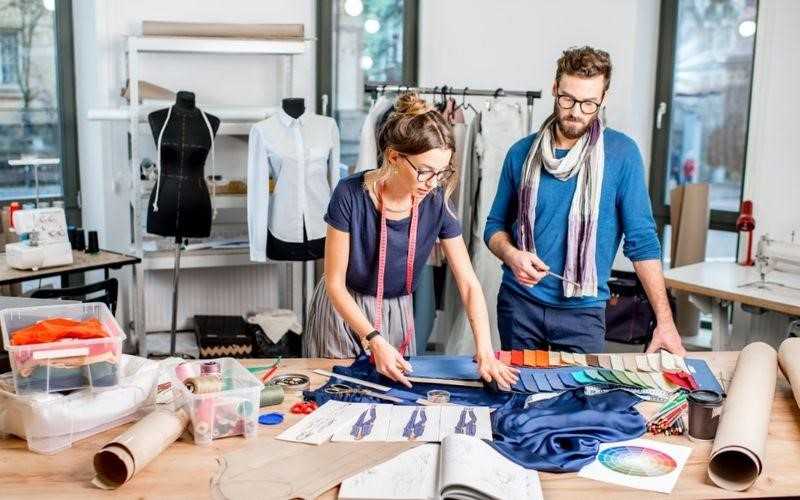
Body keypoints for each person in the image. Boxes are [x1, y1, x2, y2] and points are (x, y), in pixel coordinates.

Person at [304, 93, 518, 388]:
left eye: (441, 173)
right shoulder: (349, 194)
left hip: (396, 312)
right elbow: (335, 284)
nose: (433, 183)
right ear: (394, 157)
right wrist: (373, 339)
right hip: (343, 309)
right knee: (337, 393)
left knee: (395, 396)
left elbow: (469, 284)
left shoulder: (437, 202)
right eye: (424, 171)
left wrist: (484, 349)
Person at [485, 46, 686, 356]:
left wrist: (665, 321)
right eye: (568, 99)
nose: (577, 112)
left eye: (589, 103)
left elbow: (642, 241)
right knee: (520, 388)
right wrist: (511, 255)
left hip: (583, 313)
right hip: (519, 306)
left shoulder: (622, 154)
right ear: (555, 88)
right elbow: (494, 226)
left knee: (581, 389)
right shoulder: (520, 153)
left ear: (603, 98)